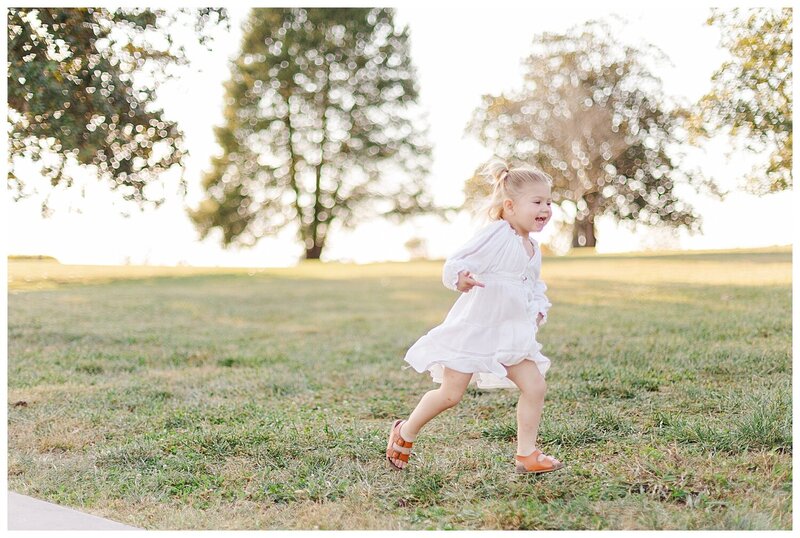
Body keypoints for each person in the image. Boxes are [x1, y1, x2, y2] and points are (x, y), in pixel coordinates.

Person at [386, 158, 564, 474]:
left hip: (509, 335)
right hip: (477, 329)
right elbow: (455, 261)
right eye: (537, 201)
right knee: (451, 394)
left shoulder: (533, 248)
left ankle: (527, 454)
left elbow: (533, 285)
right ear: (509, 206)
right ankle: (406, 430)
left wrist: (538, 308)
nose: (546, 209)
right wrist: (462, 277)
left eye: (549, 202)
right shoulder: (497, 234)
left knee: (535, 386)